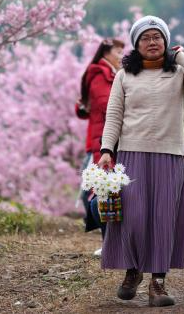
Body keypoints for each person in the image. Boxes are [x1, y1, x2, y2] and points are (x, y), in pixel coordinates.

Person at [97, 15, 184, 307]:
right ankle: (133, 270)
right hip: (132, 154)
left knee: (163, 219)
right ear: (136, 44)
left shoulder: (178, 73)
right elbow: (114, 116)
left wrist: (181, 56)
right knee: (133, 218)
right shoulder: (124, 75)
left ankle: (158, 284)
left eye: (157, 37)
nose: (152, 42)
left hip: (170, 154)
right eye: (146, 38)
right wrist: (107, 150)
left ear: (166, 41)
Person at [78, 37, 125, 246]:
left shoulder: (110, 74)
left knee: (105, 189)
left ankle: (109, 239)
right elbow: (107, 106)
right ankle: (107, 240)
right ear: (106, 52)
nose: (121, 57)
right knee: (101, 190)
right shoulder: (100, 73)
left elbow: (86, 108)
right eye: (118, 52)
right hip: (102, 140)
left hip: (104, 138)